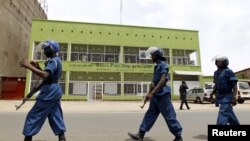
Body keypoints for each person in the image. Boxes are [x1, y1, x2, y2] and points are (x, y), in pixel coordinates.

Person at [128, 46, 183, 141]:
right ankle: (140, 134)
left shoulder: (163, 65)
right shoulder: (156, 67)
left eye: (152, 55)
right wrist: (148, 95)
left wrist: (152, 93)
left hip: (163, 95)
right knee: (149, 114)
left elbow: (163, 80)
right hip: (155, 96)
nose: (151, 57)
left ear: (157, 55)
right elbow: (153, 84)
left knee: (169, 116)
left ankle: (178, 136)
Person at [19, 40, 67, 141]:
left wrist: (29, 66)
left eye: (45, 49)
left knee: (34, 115)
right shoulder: (56, 60)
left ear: (51, 50)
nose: (44, 51)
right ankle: (62, 138)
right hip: (54, 90)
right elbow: (47, 75)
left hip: (49, 92)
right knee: (55, 115)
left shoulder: (53, 61)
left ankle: (28, 138)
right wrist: (37, 67)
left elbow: (45, 75)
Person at [209, 56, 240, 125]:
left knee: (223, 113)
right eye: (216, 62)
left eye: (219, 62)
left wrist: (234, 97)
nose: (217, 63)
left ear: (225, 63)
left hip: (227, 96)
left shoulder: (228, 71)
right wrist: (212, 94)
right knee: (230, 116)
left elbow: (234, 85)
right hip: (220, 96)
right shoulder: (216, 73)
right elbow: (216, 85)